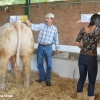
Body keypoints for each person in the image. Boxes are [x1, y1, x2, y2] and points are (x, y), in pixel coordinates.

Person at [25, 13, 59, 86]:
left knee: (49, 65)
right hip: (40, 47)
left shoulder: (54, 29)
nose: (46, 19)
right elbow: (34, 26)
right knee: (39, 63)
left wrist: (57, 48)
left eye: (47, 18)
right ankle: (42, 78)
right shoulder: (42, 25)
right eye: (45, 18)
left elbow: (56, 39)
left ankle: (47, 79)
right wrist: (29, 23)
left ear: (52, 19)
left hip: (48, 47)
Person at [76, 13, 100, 100]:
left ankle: (79, 98)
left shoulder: (83, 29)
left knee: (81, 78)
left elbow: (77, 42)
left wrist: (83, 47)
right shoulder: (98, 30)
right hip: (91, 58)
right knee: (91, 81)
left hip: (81, 56)